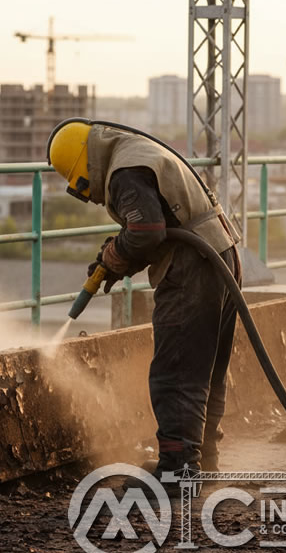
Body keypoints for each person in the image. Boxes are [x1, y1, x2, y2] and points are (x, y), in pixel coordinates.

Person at [46, 118, 242, 478]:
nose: (93, 197)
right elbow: (156, 226)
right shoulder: (133, 151)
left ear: (85, 167)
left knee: (174, 374)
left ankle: (178, 470)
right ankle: (204, 459)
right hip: (220, 255)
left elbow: (145, 232)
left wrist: (114, 256)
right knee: (206, 370)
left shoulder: (124, 172)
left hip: (193, 269)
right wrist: (119, 260)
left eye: (85, 188)